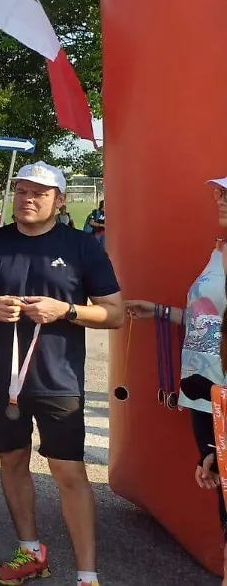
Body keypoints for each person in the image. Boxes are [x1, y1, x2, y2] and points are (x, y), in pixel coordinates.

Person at [0, 161, 124, 586]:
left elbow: (115, 313)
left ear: (59, 200)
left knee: (69, 473)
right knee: (12, 462)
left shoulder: (84, 247)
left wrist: (65, 310)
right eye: (23, 191)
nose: (29, 199)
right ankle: (30, 552)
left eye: (40, 193)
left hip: (57, 381)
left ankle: (87, 575)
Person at [124, 176, 227, 583]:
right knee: (222, 499)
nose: (217, 197)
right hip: (204, 397)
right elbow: (207, 322)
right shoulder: (218, 252)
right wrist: (158, 312)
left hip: (222, 400)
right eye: (220, 191)